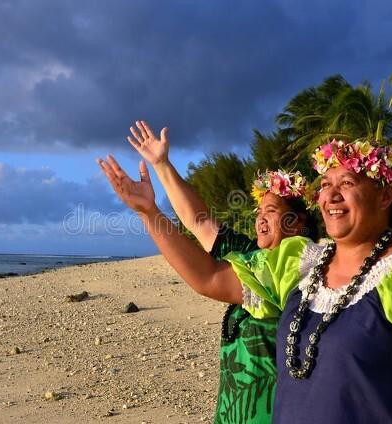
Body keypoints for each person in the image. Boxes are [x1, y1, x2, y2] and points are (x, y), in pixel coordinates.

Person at [97, 138, 392, 423]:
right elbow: (209, 277)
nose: (331, 195)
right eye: (325, 184)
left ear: (386, 195)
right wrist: (149, 212)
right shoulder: (298, 263)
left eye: (348, 184)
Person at [123, 120, 318, 423]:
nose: (261, 219)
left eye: (272, 211)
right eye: (259, 212)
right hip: (233, 410)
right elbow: (199, 221)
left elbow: (208, 278)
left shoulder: (296, 260)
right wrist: (161, 165)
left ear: (297, 221)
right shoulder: (252, 254)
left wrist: (149, 213)